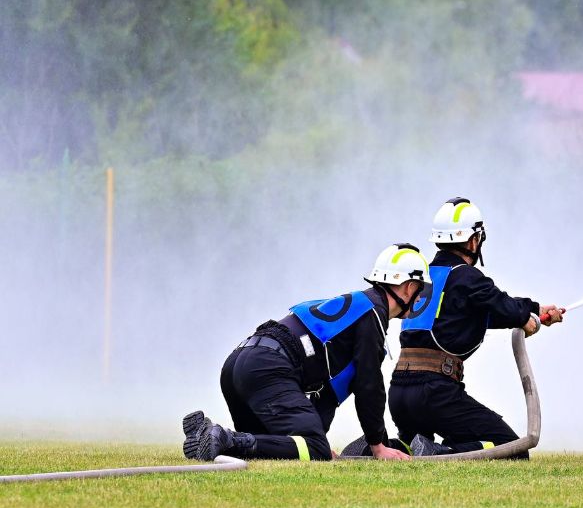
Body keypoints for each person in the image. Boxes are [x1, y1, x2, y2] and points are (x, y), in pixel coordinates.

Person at [182, 244, 429, 462]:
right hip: (266, 368)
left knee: (270, 446)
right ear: (409, 287)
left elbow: (330, 394)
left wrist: (317, 442)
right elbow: (369, 384)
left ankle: (207, 437)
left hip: (238, 362)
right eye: (420, 288)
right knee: (310, 447)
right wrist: (377, 446)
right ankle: (222, 437)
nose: (419, 297)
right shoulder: (373, 315)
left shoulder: (358, 307)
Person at [385, 197, 563, 459]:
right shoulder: (466, 276)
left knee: (415, 449)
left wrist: (535, 310)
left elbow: (482, 314)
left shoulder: (423, 278)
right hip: (436, 394)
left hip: (400, 393)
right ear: (473, 240)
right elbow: (502, 305)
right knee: (510, 449)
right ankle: (438, 451)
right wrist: (525, 315)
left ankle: (398, 447)